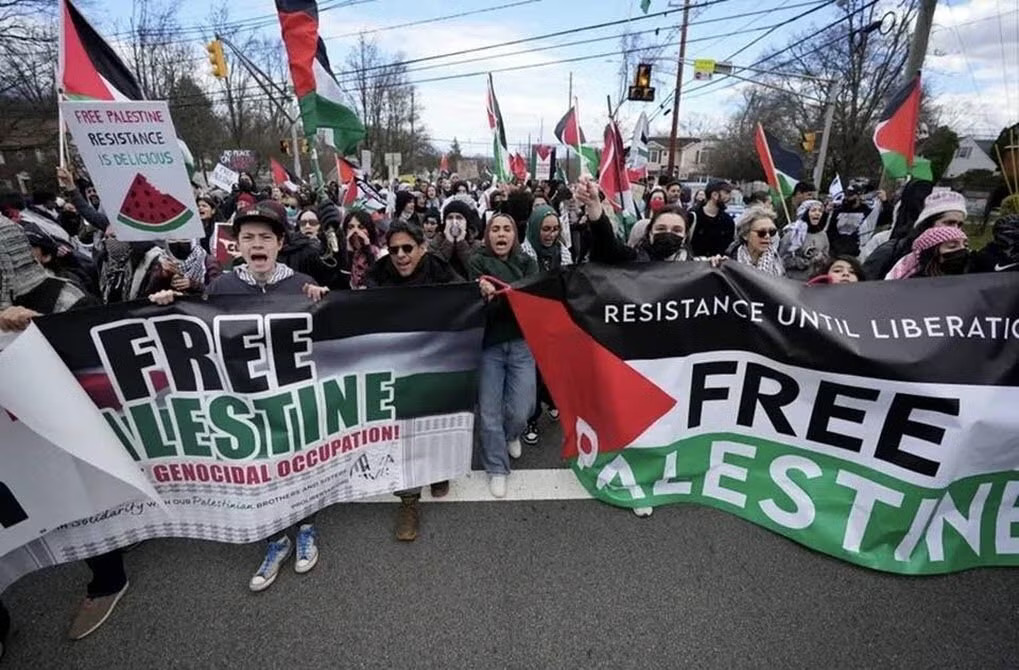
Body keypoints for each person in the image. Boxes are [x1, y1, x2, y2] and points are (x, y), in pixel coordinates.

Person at [150, 200, 329, 591]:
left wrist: (323, 301)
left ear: (280, 243)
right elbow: (195, 326)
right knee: (259, 464)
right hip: (243, 396)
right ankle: (275, 538)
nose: (257, 244)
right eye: (248, 237)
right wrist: (167, 304)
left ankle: (306, 528)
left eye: (266, 237)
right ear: (238, 245)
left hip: (293, 392)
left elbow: (330, 332)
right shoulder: (222, 287)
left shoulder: (301, 283)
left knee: (302, 460)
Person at [0, 216, 126, 642]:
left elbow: (104, 364)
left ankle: (108, 577)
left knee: (81, 494)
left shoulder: (63, 298)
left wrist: (39, 334)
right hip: (12, 436)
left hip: (69, 430)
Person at [364, 221, 462, 538]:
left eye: (408, 248)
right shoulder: (378, 276)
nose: (401, 255)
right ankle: (408, 501)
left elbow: (465, 297)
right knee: (403, 434)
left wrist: (482, 290)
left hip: (436, 362)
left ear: (422, 248)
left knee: (436, 424)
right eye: (394, 249)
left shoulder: (440, 270)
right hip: (397, 367)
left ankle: (439, 469)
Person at [466, 212, 539, 498]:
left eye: (507, 229)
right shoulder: (477, 261)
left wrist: (502, 290)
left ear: (514, 235)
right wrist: (481, 292)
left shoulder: (527, 261)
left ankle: (512, 433)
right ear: (488, 235)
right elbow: (474, 302)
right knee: (489, 411)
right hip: (488, 346)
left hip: (522, 344)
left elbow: (532, 297)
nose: (501, 234)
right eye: (495, 229)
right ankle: (496, 467)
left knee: (522, 409)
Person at [883, 191, 968, 279]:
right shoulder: (893, 252)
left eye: (959, 225)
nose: (955, 229)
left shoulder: (964, 259)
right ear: (928, 223)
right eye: (949, 223)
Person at [885, 226, 969, 280]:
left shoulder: (969, 276)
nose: (962, 249)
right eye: (952, 246)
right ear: (931, 253)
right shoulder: (915, 283)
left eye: (965, 245)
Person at [431, 197, 482, 279]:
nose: (454, 222)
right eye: (450, 218)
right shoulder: (436, 242)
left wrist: (461, 243)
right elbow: (432, 269)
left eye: (459, 218)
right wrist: (448, 242)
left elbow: (475, 271)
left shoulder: (477, 245)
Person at [779, 199, 829, 281]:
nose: (817, 213)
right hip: (793, 281)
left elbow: (826, 256)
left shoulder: (823, 235)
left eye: (820, 211)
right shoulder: (792, 235)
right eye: (813, 210)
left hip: (814, 281)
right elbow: (781, 259)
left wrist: (820, 258)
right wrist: (801, 262)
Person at [687, 180, 735, 257]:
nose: (729, 198)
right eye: (726, 193)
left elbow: (728, 248)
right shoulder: (693, 216)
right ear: (714, 195)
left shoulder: (728, 221)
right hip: (694, 263)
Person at [730, 209, 784, 276]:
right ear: (745, 235)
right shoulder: (730, 262)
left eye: (772, 232)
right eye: (761, 232)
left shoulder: (780, 261)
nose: (767, 236)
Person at [339, 210, 383, 289]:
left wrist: (367, 249)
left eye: (361, 227)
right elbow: (342, 283)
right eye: (351, 227)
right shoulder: (340, 253)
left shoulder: (379, 253)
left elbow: (377, 278)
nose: (355, 231)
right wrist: (349, 252)